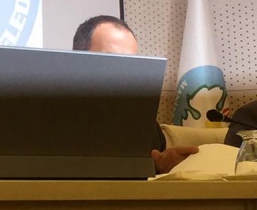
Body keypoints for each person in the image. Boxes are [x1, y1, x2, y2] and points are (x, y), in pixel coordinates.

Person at [73, 15, 199, 174]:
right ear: (79, 59)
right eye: (112, 59)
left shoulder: (145, 126)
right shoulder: (52, 117)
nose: (123, 70)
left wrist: (159, 166)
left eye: (131, 62)